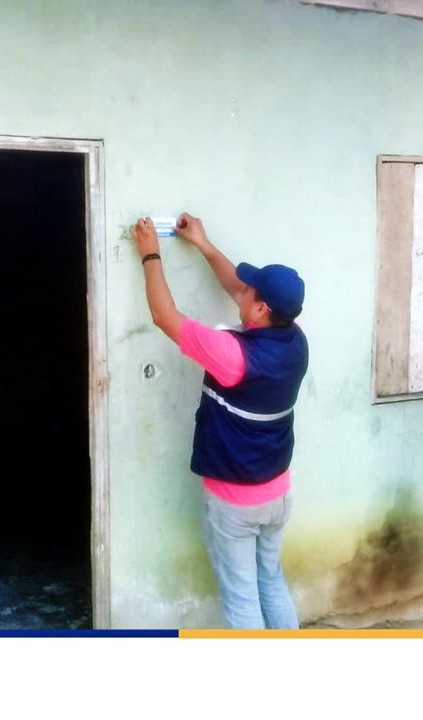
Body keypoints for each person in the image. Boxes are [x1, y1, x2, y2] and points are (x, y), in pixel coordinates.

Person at [131, 212, 309, 629]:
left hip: (235, 501)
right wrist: (203, 243)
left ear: (260, 308)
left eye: (249, 291)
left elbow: (164, 316)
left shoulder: (233, 356)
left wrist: (150, 255)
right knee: (271, 580)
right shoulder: (295, 339)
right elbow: (235, 286)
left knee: (241, 598)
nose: (239, 290)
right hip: (277, 493)